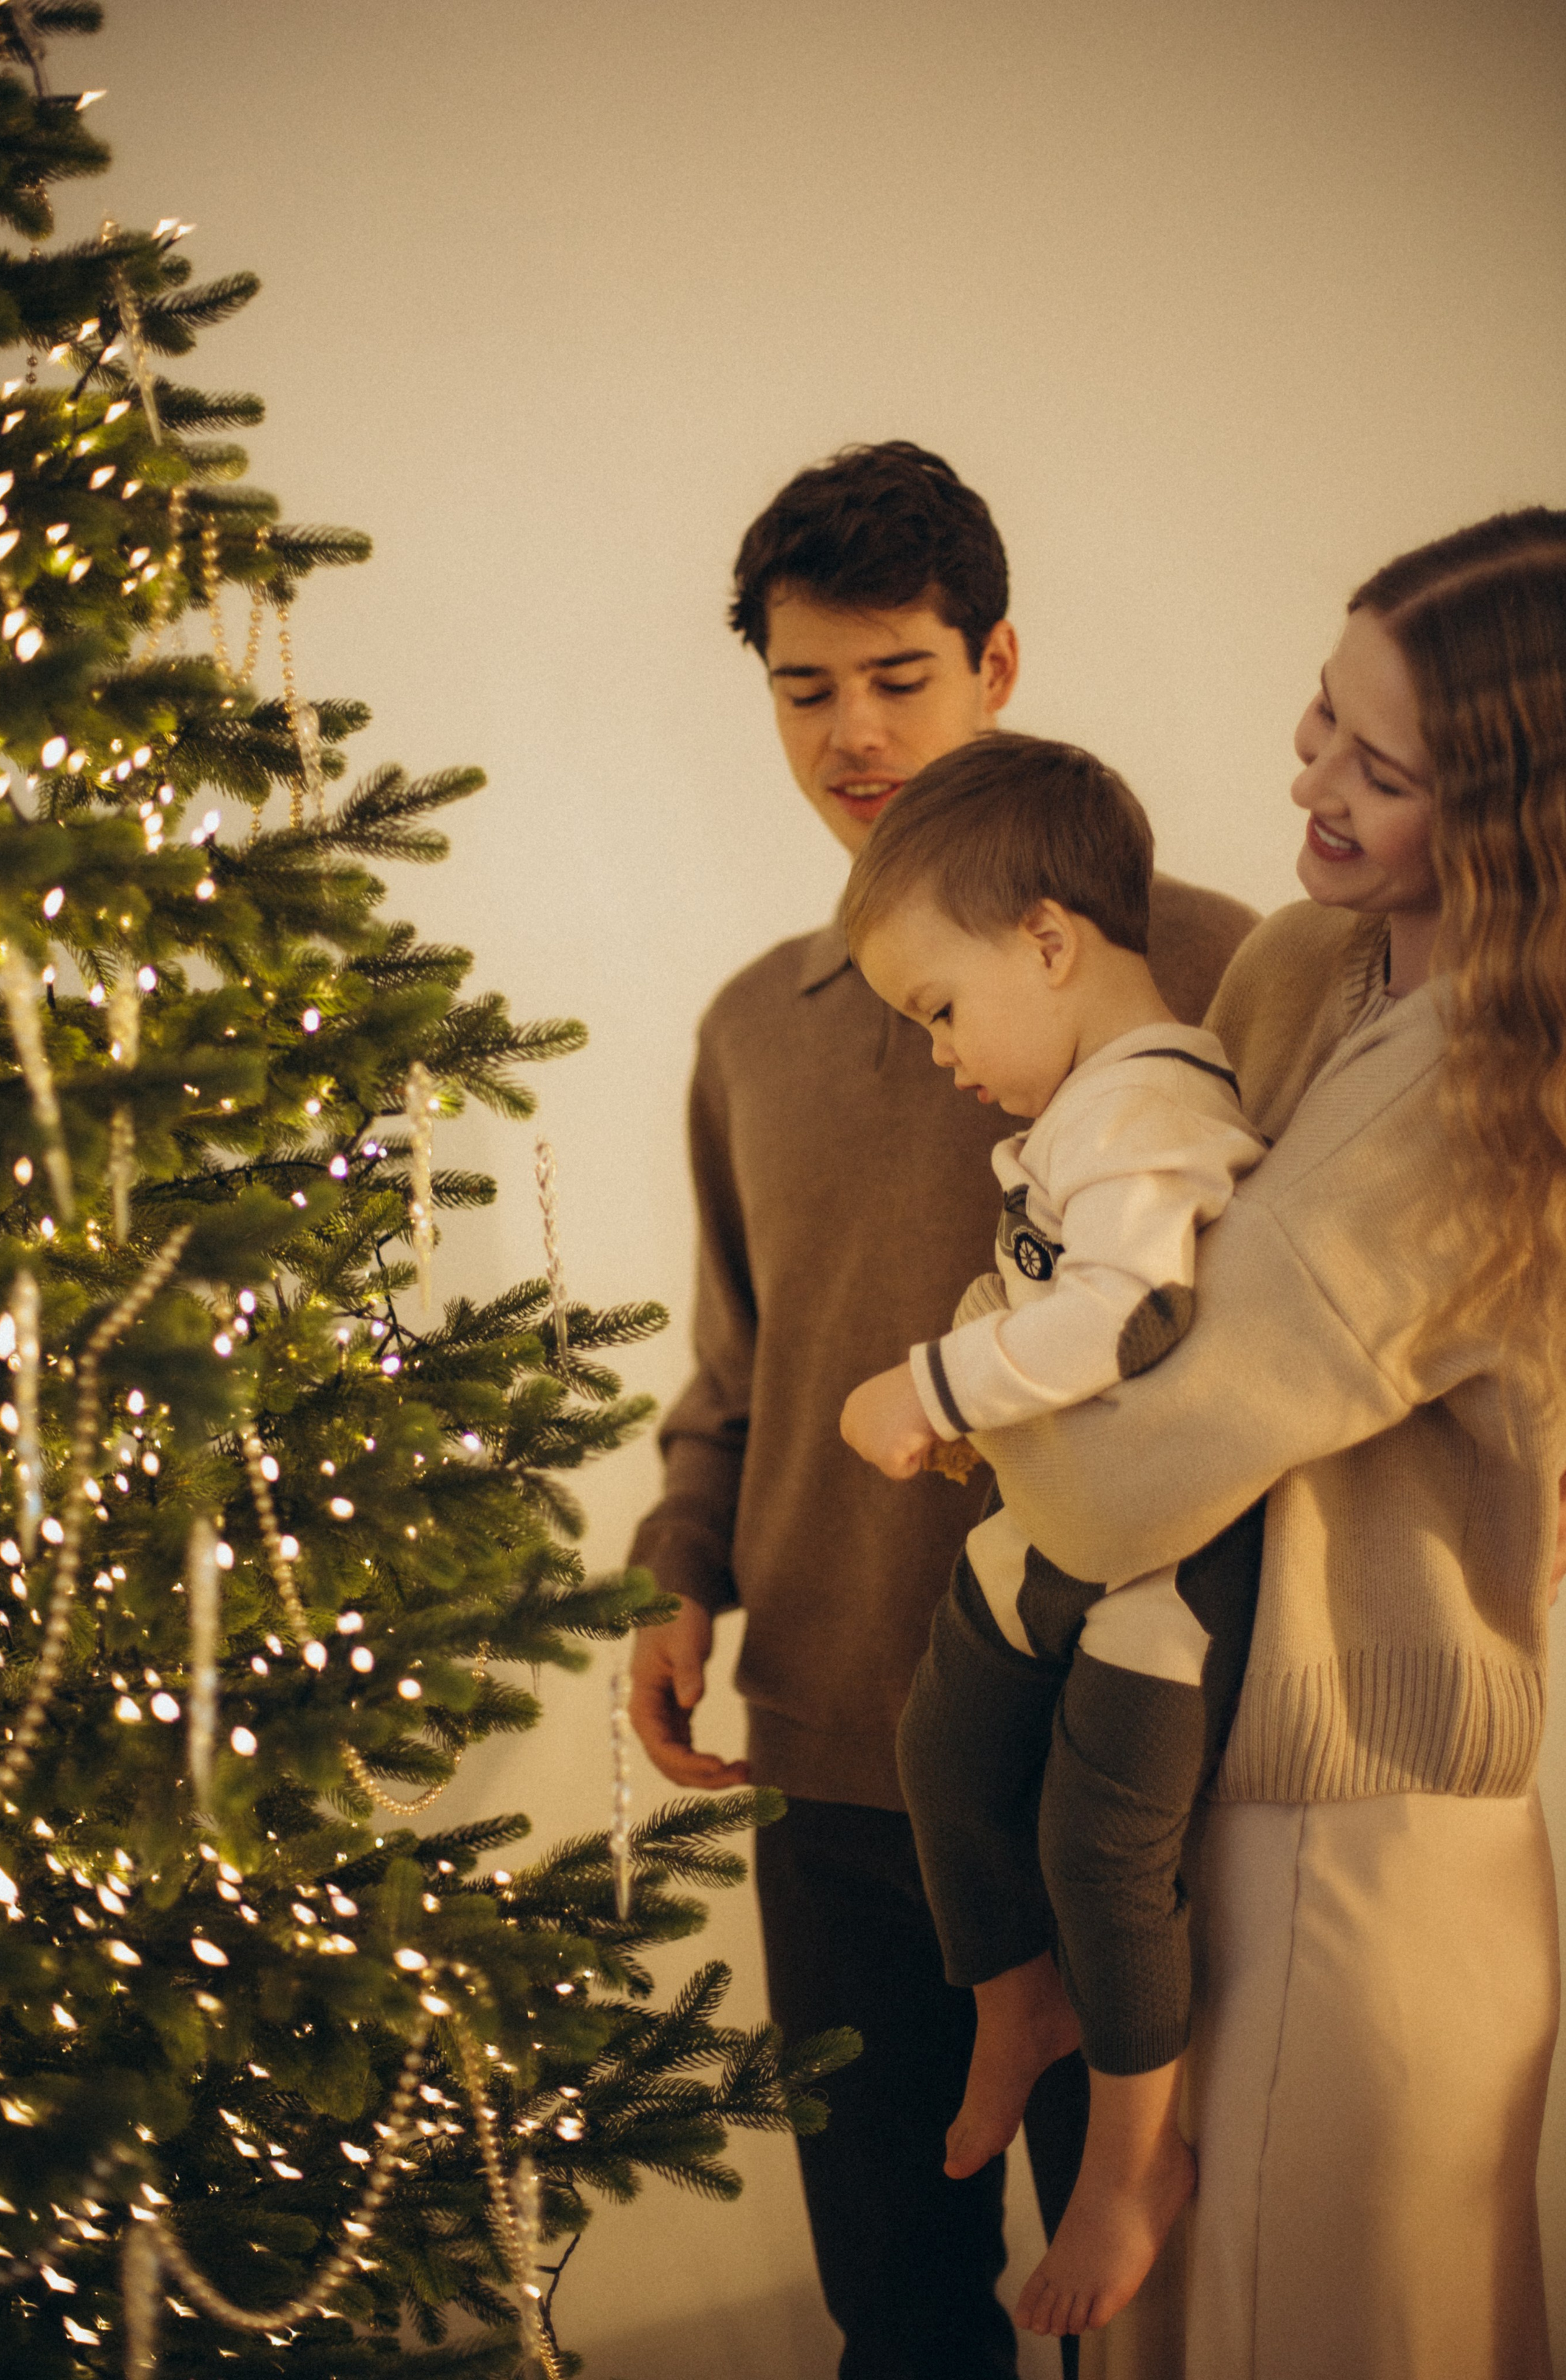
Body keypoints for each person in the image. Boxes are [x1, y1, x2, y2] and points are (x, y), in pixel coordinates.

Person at [626, 440, 1258, 2380]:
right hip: (829, 1756)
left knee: (1142, 2311)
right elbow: (743, 1357)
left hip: (1116, 1760)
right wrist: (677, 1576)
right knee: (896, 2304)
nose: (853, 734)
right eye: (805, 690)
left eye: (899, 676)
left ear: (996, 660)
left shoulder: (1219, 975)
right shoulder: (757, 1023)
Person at [971, 509, 1565, 2379]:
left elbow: (1136, 1456)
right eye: (1325, 715)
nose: (1305, 778)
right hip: (1217, 1771)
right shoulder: (1314, 961)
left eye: (1380, 770)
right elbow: (1104, 1255)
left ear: (1518, 818)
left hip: (1353, 1820)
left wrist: (977, 1382)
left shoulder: (1488, 1083)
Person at [836, 733, 1266, 2340]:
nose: (943, 1056)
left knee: (1102, 1845)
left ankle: (1134, 2161)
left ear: (1049, 941)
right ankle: (1015, 2007)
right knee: (942, 1747)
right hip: (1058, 1528)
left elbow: (1132, 1311)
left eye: (942, 1010)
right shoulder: (1090, 1109)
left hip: (1166, 1568)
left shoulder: (1150, 1105)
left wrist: (932, 1377)